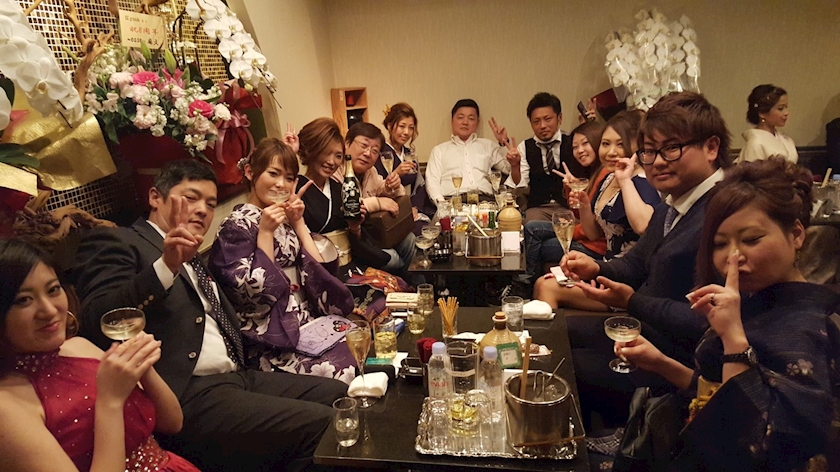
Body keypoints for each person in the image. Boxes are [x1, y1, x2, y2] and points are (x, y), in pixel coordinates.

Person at [72, 160, 347, 472]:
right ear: (155, 197)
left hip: (236, 376)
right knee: (324, 424)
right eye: (191, 198)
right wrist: (166, 266)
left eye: (211, 204)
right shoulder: (120, 241)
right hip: (186, 393)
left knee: (340, 397)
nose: (202, 210)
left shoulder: (191, 253)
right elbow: (98, 317)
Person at [617, 158, 839, 470]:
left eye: (751, 239)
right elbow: (717, 395)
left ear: (797, 234)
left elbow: (762, 446)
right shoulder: (755, 299)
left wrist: (733, 337)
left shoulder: (810, 327)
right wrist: (661, 363)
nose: (734, 256)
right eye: (720, 244)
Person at [561, 92, 732, 426]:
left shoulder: (724, 213)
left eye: (671, 148)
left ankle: (615, 437)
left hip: (678, 359)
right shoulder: (674, 203)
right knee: (556, 332)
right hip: (645, 331)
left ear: (711, 147)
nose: (657, 161)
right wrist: (597, 268)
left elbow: (709, 321)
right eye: (650, 151)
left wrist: (632, 302)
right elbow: (637, 262)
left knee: (568, 367)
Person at [0, 238, 199, 472]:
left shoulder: (80, 347)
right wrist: (110, 401)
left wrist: (143, 367)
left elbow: (173, 422)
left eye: (53, 289)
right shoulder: (7, 406)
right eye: (24, 300)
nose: (50, 310)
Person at [209, 138, 357, 383]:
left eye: (289, 178)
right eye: (273, 173)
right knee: (346, 369)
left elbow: (320, 271)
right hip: (272, 338)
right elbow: (254, 295)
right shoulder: (235, 226)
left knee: (365, 345)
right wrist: (266, 233)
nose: (281, 184)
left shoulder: (284, 219)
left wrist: (298, 222)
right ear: (250, 172)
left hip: (305, 321)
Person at [534, 111, 660, 309]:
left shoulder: (643, 181)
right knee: (545, 280)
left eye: (620, 144)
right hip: (606, 268)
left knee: (546, 286)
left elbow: (644, 226)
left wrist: (625, 180)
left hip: (629, 282)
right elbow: (593, 233)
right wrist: (585, 205)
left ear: (637, 146)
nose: (611, 152)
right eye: (605, 144)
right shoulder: (609, 178)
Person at [295, 118, 411, 275]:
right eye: (326, 152)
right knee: (394, 263)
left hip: (352, 256)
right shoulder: (297, 189)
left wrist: (355, 227)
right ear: (312, 150)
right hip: (322, 266)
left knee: (403, 255)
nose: (331, 161)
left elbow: (353, 232)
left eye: (337, 156)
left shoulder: (339, 187)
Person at [521, 121, 607, 289]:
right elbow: (578, 214)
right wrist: (570, 188)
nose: (580, 150)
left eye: (585, 143)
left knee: (538, 245)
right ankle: (527, 281)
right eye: (575, 147)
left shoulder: (604, 175)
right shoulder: (590, 173)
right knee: (531, 227)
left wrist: (569, 230)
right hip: (585, 235)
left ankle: (525, 284)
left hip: (595, 246)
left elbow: (592, 230)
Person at [334, 122, 417, 276]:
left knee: (410, 239)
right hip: (349, 240)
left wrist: (391, 186)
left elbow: (390, 191)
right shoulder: (336, 170)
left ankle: (412, 286)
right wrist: (377, 203)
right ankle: (400, 284)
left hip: (370, 234)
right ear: (347, 143)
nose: (368, 153)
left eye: (374, 151)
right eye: (363, 145)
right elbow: (345, 207)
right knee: (394, 259)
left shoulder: (370, 171)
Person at [500, 92, 587, 222]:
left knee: (577, 224)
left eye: (548, 119)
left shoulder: (573, 141)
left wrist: (589, 126)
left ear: (559, 118)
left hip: (569, 206)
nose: (542, 126)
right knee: (531, 224)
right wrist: (515, 166)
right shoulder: (525, 147)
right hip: (539, 208)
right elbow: (520, 185)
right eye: (536, 121)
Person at [425, 99, 511, 206]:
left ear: (477, 123)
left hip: (485, 201)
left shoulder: (487, 146)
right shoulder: (439, 151)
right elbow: (432, 182)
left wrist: (503, 142)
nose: (465, 122)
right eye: (460, 117)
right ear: (452, 121)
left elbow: (509, 169)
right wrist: (442, 205)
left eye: (471, 118)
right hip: (453, 202)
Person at [378, 102, 435, 226]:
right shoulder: (380, 153)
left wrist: (415, 207)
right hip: (389, 211)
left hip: (411, 208)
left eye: (411, 128)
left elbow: (420, 186)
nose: (406, 132)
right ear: (389, 125)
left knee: (427, 229)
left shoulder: (410, 154)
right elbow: (377, 189)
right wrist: (397, 173)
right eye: (402, 126)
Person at [736, 84, 797, 164]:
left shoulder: (784, 138)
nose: (786, 113)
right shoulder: (755, 144)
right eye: (780, 108)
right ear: (762, 113)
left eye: (786, 107)